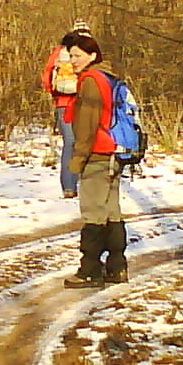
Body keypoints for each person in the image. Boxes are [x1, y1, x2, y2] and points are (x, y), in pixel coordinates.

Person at [62, 32, 128, 287]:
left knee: (93, 213)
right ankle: (117, 268)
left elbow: (88, 126)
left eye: (77, 55)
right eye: (71, 56)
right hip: (115, 153)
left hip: (98, 154)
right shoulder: (108, 78)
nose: (73, 60)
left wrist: (77, 160)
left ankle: (89, 270)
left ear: (92, 55)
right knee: (112, 212)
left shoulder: (90, 81)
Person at [40, 20, 94, 198]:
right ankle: (89, 184)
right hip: (86, 102)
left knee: (69, 144)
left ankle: (69, 187)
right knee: (88, 143)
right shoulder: (90, 52)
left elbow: (47, 77)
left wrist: (55, 94)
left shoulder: (60, 52)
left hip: (63, 104)